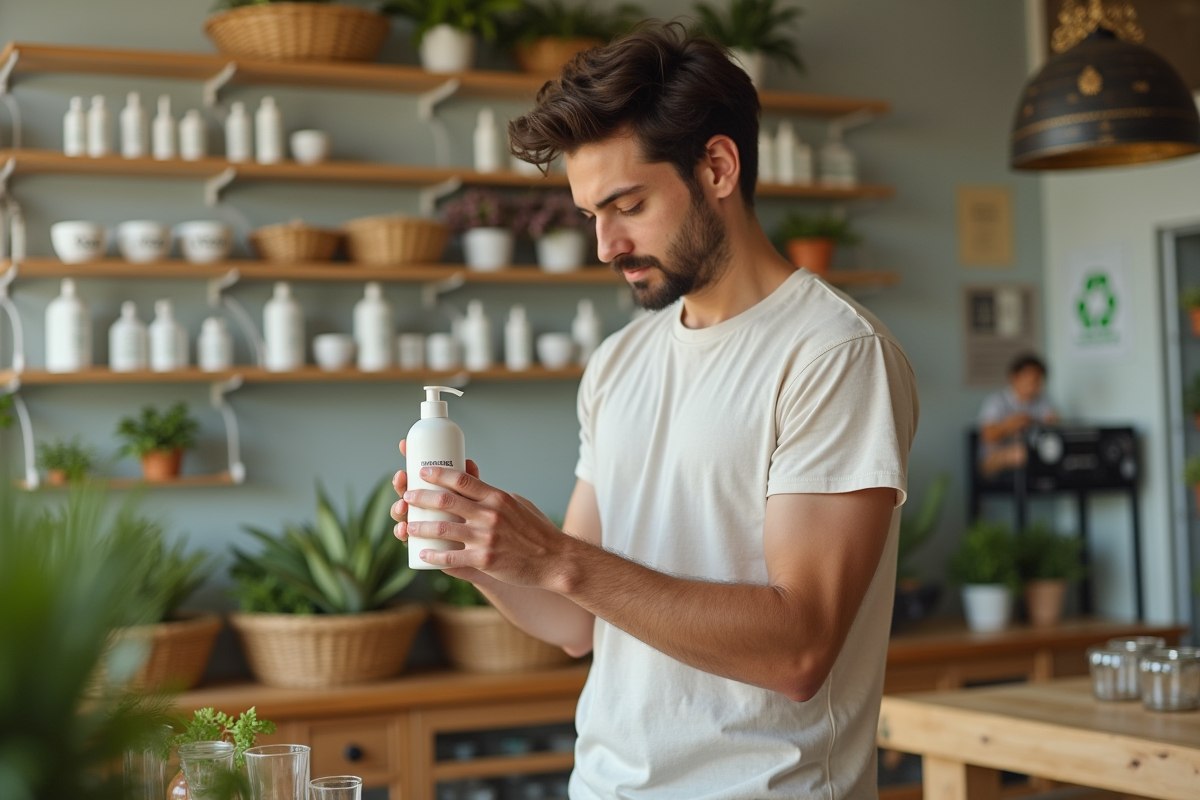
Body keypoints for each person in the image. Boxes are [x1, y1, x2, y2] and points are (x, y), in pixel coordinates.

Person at [391, 24, 919, 799]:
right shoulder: (619, 364)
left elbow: (799, 651)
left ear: (717, 166)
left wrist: (558, 558)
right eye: (588, 215)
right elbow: (575, 623)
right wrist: (482, 553)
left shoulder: (832, 354)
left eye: (627, 204)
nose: (605, 245)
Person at [978, 353, 1058, 475]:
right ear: (1014, 378)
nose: (1032, 385)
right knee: (1020, 453)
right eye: (1028, 378)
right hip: (994, 458)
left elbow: (1052, 424)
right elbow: (988, 436)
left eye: (1037, 380)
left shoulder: (1042, 402)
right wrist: (1010, 425)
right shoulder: (996, 402)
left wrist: (1049, 423)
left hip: (1031, 454)